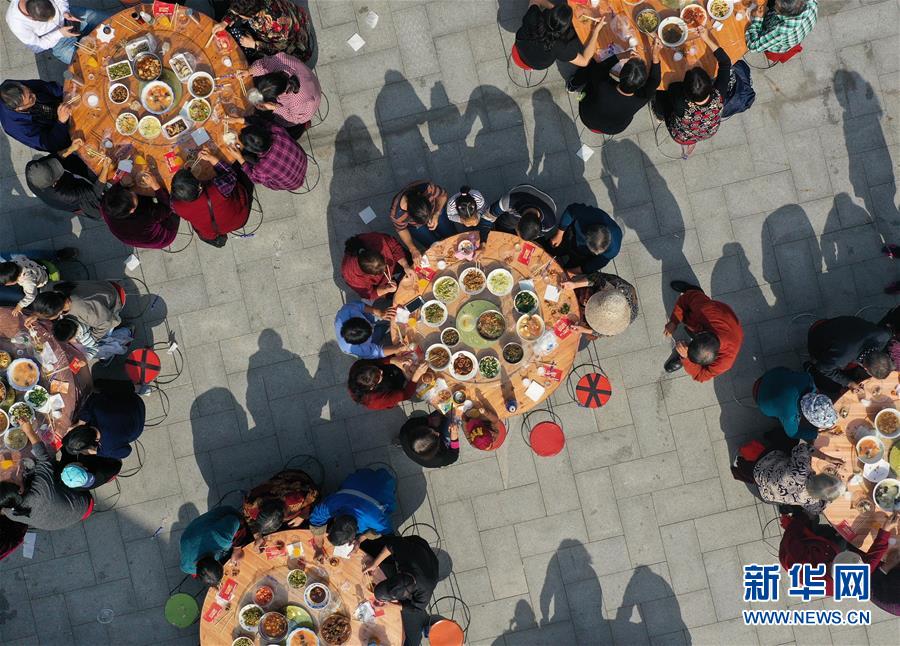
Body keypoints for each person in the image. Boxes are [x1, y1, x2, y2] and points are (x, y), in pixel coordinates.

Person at [778, 510, 897, 597]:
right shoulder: (851, 578)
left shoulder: (799, 564)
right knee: (837, 534)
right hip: (819, 548)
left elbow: (792, 534)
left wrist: (804, 516)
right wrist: (885, 530)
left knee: (811, 516)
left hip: (806, 544)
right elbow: (871, 562)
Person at [654, 25, 731, 158]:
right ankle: (692, 141)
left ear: (685, 92)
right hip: (709, 131)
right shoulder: (719, 94)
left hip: (681, 135)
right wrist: (706, 38)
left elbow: (671, 86)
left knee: (660, 94)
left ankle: (660, 116)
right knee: (693, 133)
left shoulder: (681, 103)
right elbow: (726, 63)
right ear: (710, 84)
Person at [0, 420, 93, 529]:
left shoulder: (8, 509)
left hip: (55, 512)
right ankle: (75, 440)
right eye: (13, 478)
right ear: (20, 490)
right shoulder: (39, 493)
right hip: (82, 504)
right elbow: (44, 460)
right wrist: (29, 431)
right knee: (63, 459)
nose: (10, 473)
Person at [568, 37, 662, 135]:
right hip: (614, 129)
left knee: (592, 65)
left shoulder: (603, 86)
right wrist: (655, 56)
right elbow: (655, 81)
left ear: (620, 74)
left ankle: (573, 84)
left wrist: (621, 56)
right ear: (641, 83)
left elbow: (601, 67)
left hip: (587, 116)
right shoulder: (642, 98)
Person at [362, 534, 439, 646]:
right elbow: (391, 544)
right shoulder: (406, 553)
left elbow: (416, 608)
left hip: (430, 566)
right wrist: (375, 564)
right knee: (375, 553)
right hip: (414, 547)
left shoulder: (425, 592)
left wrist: (393, 606)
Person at [308, 467, 397, 561]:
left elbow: (386, 533)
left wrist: (360, 539)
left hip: (384, 483)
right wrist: (318, 548)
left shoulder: (376, 520)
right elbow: (316, 523)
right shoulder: (332, 504)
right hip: (362, 478)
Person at [662, 280, 743, 381]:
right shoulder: (705, 311)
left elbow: (701, 376)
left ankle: (683, 358)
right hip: (715, 312)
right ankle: (695, 290)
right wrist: (674, 321)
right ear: (702, 332)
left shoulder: (725, 362)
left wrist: (686, 359)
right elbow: (686, 299)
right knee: (692, 302)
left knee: (689, 317)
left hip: (728, 327)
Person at [170, 149, 251, 247]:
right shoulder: (218, 188)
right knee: (238, 167)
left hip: (210, 234)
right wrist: (212, 158)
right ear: (200, 187)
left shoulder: (175, 206)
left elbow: (172, 198)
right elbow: (230, 174)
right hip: (238, 220)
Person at [806, 315, 893, 399]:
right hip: (819, 335)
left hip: (844, 325)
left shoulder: (884, 335)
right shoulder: (842, 357)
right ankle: (809, 368)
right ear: (866, 369)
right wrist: (849, 383)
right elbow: (823, 368)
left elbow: (888, 331)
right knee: (830, 384)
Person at [5, 0, 111, 64]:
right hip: (58, 42)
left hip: (69, 16)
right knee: (85, 62)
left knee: (109, 22)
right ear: (31, 18)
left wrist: (65, 11)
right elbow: (37, 47)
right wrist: (59, 33)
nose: (53, 20)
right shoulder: (15, 22)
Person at [62, 380, 146, 460]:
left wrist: (96, 452)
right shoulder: (98, 411)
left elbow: (127, 451)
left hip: (137, 421)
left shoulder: (108, 448)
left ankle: (136, 387)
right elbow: (92, 398)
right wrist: (80, 422)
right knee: (100, 387)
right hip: (134, 401)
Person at [752, 444, 844, 515]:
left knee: (790, 444)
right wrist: (834, 495)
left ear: (822, 475)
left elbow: (801, 448)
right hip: (767, 495)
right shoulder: (811, 501)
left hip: (761, 471)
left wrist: (827, 458)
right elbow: (818, 510)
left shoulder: (801, 470)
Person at [25, 140, 107, 218]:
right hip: (74, 201)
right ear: (54, 183)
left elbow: (55, 157)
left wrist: (71, 148)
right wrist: (105, 168)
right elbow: (94, 192)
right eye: (56, 172)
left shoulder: (32, 167)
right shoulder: (64, 195)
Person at [213, 0, 313, 63]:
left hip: (290, 42)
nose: (236, 15)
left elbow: (279, 48)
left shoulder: (274, 26)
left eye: (239, 15)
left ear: (250, 15)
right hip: (290, 14)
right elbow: (239, 6)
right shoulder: (254, 5)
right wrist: (225, 22)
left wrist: (254, 44)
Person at [245, 52, 321, 135]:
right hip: (308, 80)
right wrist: (249, 71)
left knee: (268, 124)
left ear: (278, 95)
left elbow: (292, 118)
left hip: (302, 111)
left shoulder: (297, 102)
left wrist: (274, 107)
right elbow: (264, 64)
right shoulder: (281, 62)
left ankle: (304, 126)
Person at [514, 0, 604, 70]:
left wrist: (556, 12)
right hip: (538, 63)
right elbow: (585, 61)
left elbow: (535, 0)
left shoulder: (533, 17)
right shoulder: (560, 47)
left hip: (521, 45)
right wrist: (595, 31)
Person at [100, 173, 180, 249]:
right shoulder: (145, 217)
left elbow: (115, 190)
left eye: (128, 192)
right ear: (132, 210)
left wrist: (122, 183)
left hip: (131, 230)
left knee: (143, 195)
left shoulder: (107, 202)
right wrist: (155, 185)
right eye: (132, 195)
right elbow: (168, 207)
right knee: (175, 200)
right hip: (162, 236)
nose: (132, 192)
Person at [242, 469, 320, 547]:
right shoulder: (251, 504)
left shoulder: (295, 500)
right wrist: (257, 535)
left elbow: (315, 493)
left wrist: (304, 513)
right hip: (275, 487)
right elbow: (248, 518)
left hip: (298, 480)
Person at [755, 367, 837, 441]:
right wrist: (818, 433)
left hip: (772, 375)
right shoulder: (789, 415)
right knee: (779, 416)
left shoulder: (806, 379)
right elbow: (793, 434)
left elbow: (811, 384)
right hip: (762, 397)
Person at [26, 279, 124, 341]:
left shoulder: (85, 311)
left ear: (59, 312)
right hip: (98, 288)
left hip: (113, 297)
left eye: (48, 317)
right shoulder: (52, 290)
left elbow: (106, 323)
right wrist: (36, 314)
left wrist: (93, 338)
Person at [230, 117, 308, 191]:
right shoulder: (277, 131)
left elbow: (254, 178)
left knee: (245, 157)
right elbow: (263, 122)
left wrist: (240, 158)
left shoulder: (262, 167)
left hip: (293, 184)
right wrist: (240, 120)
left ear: (254, 152)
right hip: (301, 161)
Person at [179, 506, 247, 586]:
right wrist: (215, 582)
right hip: (194, 533)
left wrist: (237, 549)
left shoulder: (221, 538)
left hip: (228, 517)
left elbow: (237, 520)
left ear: (219, 562)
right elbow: (196, 574)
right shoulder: (187, 567)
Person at [546, 203, 622, 274]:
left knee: (562, 272)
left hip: (583, 255)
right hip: (572, 236)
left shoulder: (613, 249)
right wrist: (559, 234)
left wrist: (568, 272)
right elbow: (571, 211)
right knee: (549, 249)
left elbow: (595, 264)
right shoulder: (591, 215)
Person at [0, 79, 70, 152]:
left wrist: (64, 95)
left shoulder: (14, 87)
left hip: (61, 106)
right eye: (31, 98)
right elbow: (50, 144)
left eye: (30, 91)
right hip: (61, 134)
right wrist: (61, 122)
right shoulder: (16, 127)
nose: (34, 95)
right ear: (19, 109)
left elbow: (45, 86)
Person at [389, 180, 453, 259]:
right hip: (416, 226)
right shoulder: (396, 214)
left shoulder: (427, 188)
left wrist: (436, 213)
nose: (428, 222)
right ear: (410, 214)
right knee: (433, 247)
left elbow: (443, 196)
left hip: (435, 212)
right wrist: (412, 249)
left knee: (451, 235)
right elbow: (401, 229)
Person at [341, 233, 415, 301]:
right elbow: (369, 294)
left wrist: (405, 265)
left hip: (391, 262)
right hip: (380, 284)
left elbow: (395, 248)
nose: (385, 271)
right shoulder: (350, 274)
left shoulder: (378, 240)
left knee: (412, 263)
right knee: (398, 296)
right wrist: (386, 289)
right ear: (370, 274)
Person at [565, 272, 639, 339]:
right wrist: (575, 285)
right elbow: (595, 278)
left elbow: (606, 333)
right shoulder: (612, 285)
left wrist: (584, 330)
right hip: (605, 288)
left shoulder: (621, 323)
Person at [335, 302, 412, 360]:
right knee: (387, 336)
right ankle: (384, 328)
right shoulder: (360, 349)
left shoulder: (348, 310)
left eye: (369, 326)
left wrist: (380, 313)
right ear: (363, 342)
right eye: (370, 332)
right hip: (368, 342)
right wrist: (397, 349)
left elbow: (361, 306)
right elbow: (377, 352)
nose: (372, 328)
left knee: (391, 314)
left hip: (366, 317)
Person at [348, 357, 428, 410]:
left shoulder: (358, 367)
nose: (381, 371)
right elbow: (406, 394)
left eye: (376, 369)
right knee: (399, 380)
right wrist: (416, 376)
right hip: (388, 390)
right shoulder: (376, 401)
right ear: (372, 387)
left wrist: (393, 360)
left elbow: (376, 361)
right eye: (379, 376)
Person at [745, 0, 818, 55]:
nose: (775, 3)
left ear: (781, 12)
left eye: (776, 4)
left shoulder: (781, 31)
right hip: (797, 30)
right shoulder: (811, 2)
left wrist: (758, 19)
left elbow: (753, 47)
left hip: (777, 42)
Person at [490, 183, 558, 242]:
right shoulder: (512, 200)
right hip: (523, 191)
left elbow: (537, 234)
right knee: (503, 222)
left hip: (546, 205)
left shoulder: (549, 224)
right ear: (518, 222)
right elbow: (490, 214)